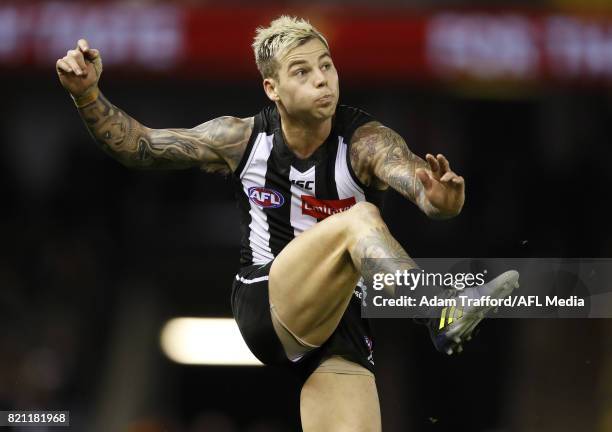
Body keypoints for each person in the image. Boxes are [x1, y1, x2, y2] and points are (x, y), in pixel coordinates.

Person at [56, 16, 518, 431]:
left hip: (338, 323)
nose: (322, 81)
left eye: (327, 66)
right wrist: (87, 95)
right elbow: (140, 147)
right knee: (360, 219)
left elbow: (421, 187)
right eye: (303, 72)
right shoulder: (239, 139)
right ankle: (438, 311)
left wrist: (441, 201)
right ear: (272, 88)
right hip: (266, 301)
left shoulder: (366, 142)